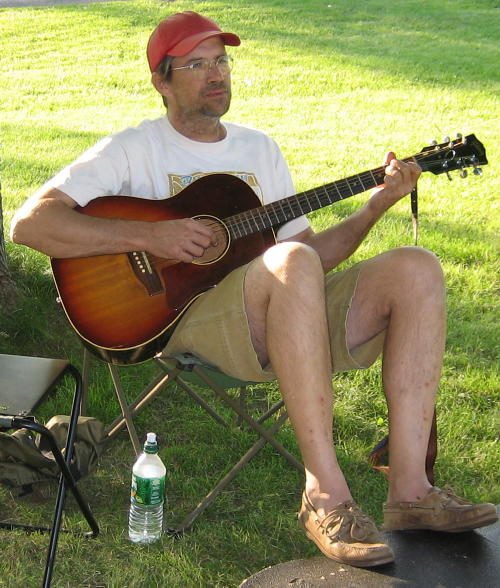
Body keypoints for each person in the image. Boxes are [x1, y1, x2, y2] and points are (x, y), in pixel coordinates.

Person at [11, 11, 497, 568]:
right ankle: (324, 496)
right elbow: (30, 225)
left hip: (282, 311)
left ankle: (411, 492)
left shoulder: (258, 150)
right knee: (288, 260)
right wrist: (153, 234)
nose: (216, 73)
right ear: (161, 82)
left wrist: (375, 207)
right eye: (196, 63)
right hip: (187, 321)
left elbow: (312, 257)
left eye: (221, 60)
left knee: (416, 265)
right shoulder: (133, 149)